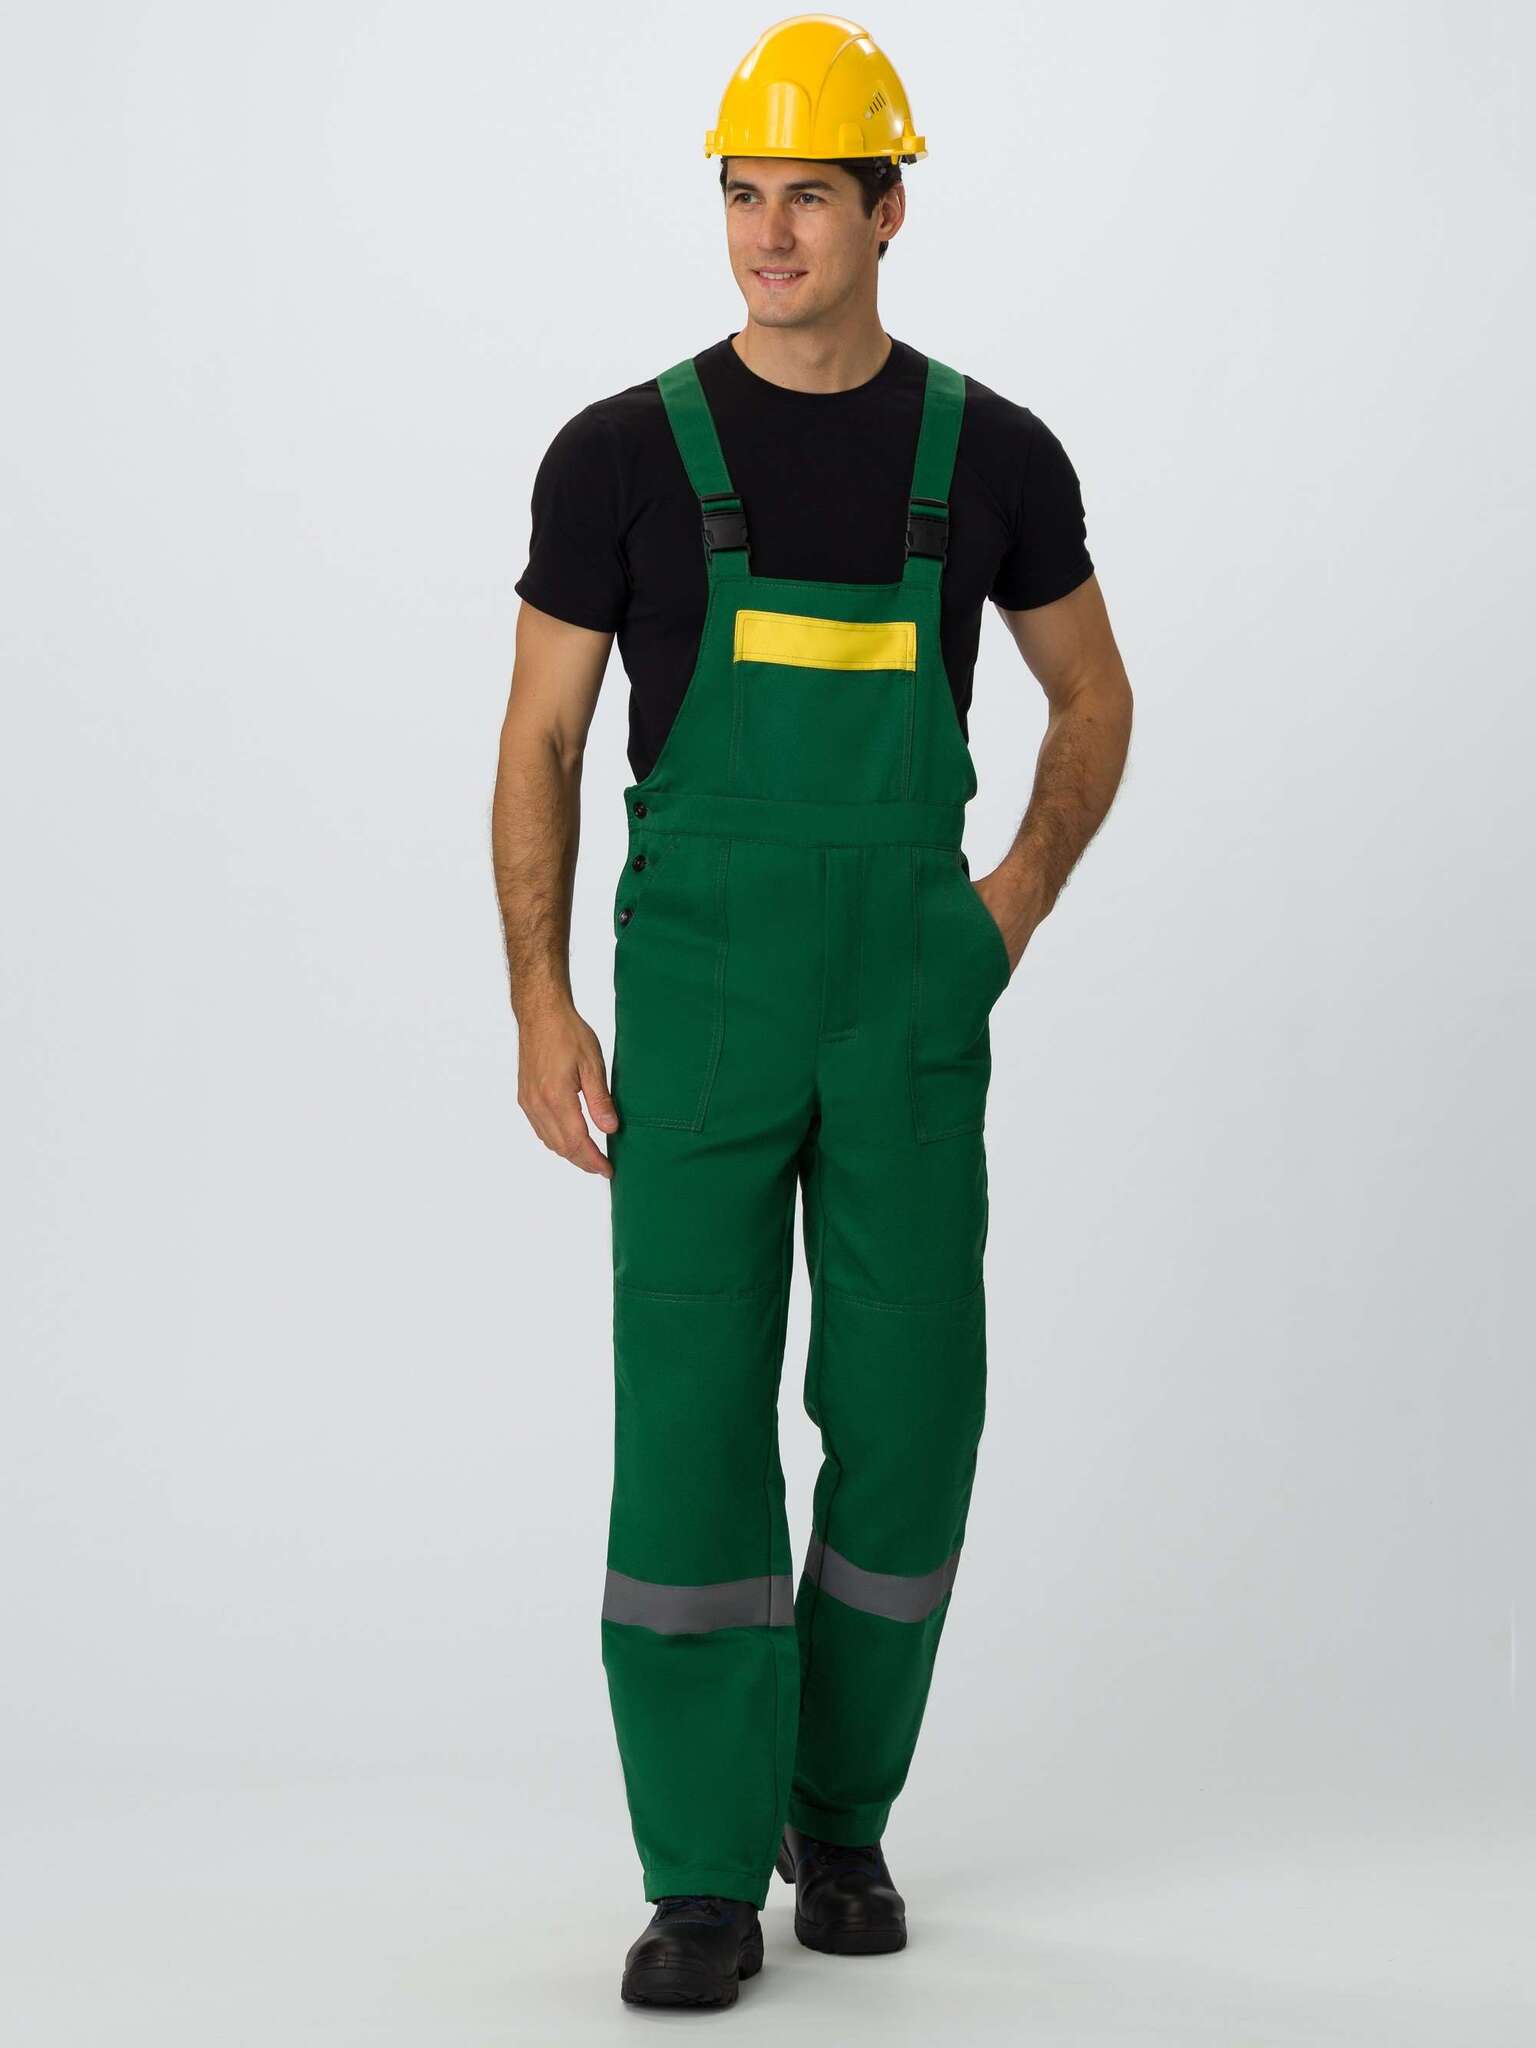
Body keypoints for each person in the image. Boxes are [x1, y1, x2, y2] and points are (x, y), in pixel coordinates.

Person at [491, 12, 1133, 2011]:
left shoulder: (992, 457)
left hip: (907, 999)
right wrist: (539, 997)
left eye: (809, 200)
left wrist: (1002, 913)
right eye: (743, 197)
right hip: (697, 1000)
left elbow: (1095, 699)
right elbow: (538, 739)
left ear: (889, 210)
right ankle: (702, 1874)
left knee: (914, 1408)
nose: (769, 236)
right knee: (691, 1420)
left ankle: (836, 1814)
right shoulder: (620, 457)